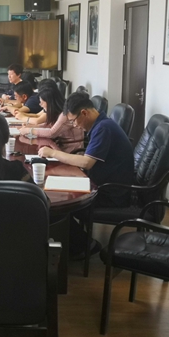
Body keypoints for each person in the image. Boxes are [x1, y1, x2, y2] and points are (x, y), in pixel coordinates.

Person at [38, 92, 134, 257]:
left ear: (84, 113)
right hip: (103, 183)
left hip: (112, 193)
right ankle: (76, 243)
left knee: (58, 206)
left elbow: (86, 162)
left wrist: (53, 153)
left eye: (74, 121)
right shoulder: (101, 124)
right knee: (57, 194)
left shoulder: (103, 128)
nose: (75, 126)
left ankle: (85, 246)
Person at [18, 85, 84, 153]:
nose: (40, 105)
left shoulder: (64, 115)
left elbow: (51, 133)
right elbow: (49, 125)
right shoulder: (58, 112)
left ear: (50, 102)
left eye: (42, 102)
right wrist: (31, 126)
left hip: (72, 149)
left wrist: (29, 130)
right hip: (61, 146)